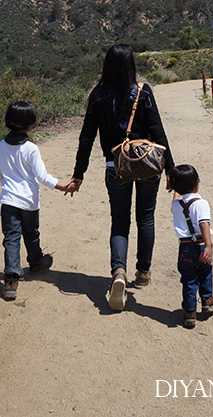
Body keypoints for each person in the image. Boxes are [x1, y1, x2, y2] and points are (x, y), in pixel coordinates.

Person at [66, 43, 174, 311]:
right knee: (146, 218)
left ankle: (118, 273)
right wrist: (170, 170)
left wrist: (78, 174)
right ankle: (143, 273)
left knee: (120, 221)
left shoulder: (98, 95)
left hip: (115, 166)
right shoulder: (142, 92)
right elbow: (158, 133)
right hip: (147, 165)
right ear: (131, 65)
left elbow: (86, 138)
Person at [0, 100, 73, 300]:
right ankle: (36, 262)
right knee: (31, 232)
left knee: (11, 237)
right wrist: (62, 186)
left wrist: (9, 183)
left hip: (9, 200)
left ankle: (11, 280)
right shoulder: (31, 148)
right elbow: (42, 177)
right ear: (29, 124)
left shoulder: (1, 146)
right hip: (29, 201)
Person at [170, 164, 213, 329]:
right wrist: (208, 246)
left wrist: (174, 188)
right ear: (197, 183)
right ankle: (207, 300)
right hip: (201, 244)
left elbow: (176, 200)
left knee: (189, 279)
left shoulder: (176, 206)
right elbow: (204, 224)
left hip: (185, 248)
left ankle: (190, 313)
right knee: (205, 272)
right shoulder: (202, 203)